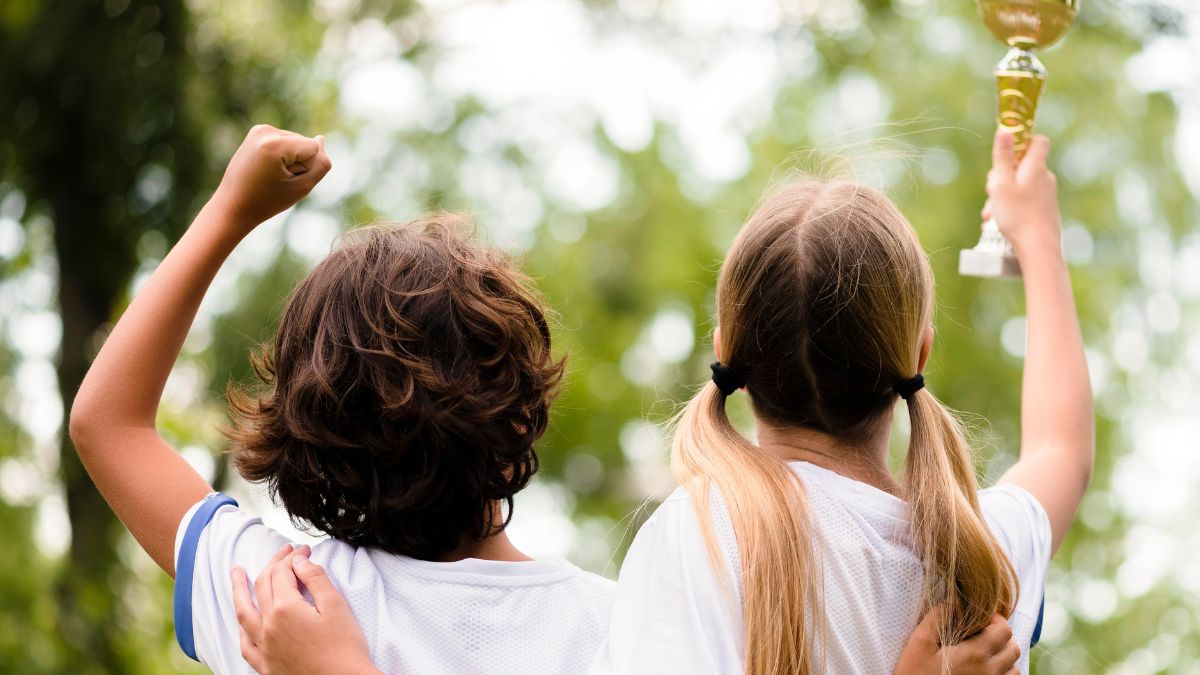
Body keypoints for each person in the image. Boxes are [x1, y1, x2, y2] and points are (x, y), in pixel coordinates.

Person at [226, 129, 1074, 675]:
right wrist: (1036, 239)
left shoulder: (697, 541)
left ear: (725, 350)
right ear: (917, 351)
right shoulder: (976, 555)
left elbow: (108, 431)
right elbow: (1062, 448)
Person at [67, 125, 614, 675]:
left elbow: (109, 424)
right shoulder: (620, 625)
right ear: (521, 416)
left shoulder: (285, 602)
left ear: (304, 441)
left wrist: (232, 209)